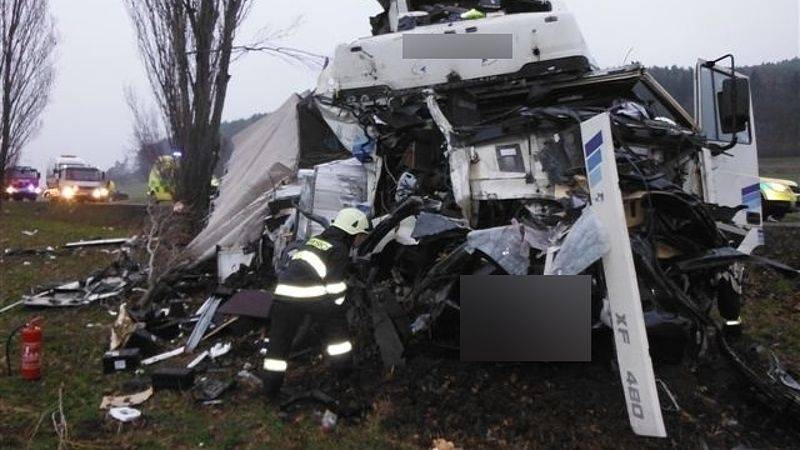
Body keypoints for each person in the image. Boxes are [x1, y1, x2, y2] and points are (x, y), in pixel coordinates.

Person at [262, 207, 371, 399]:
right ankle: (344, 374)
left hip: (282, 295)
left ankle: (270, 389)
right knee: (338, 334)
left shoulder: (316, 240)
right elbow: (334, 286)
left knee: (279, 343)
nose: (361, 241)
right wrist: (341, 304)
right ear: (352, 231)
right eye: (361, 235)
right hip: (310, 297)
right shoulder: (339, 249)